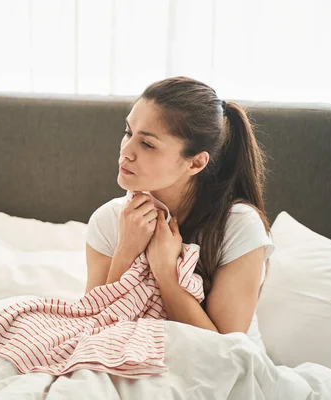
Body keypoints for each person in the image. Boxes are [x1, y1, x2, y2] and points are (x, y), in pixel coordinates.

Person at [85, 76, 274, 351]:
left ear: (196, 162)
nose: (126, 151)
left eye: (147, 144)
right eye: (128, 133)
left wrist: (166, 273)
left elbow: (224, 352)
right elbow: (92, 326)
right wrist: (126, 251)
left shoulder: (239, 226)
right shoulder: (108, 220)